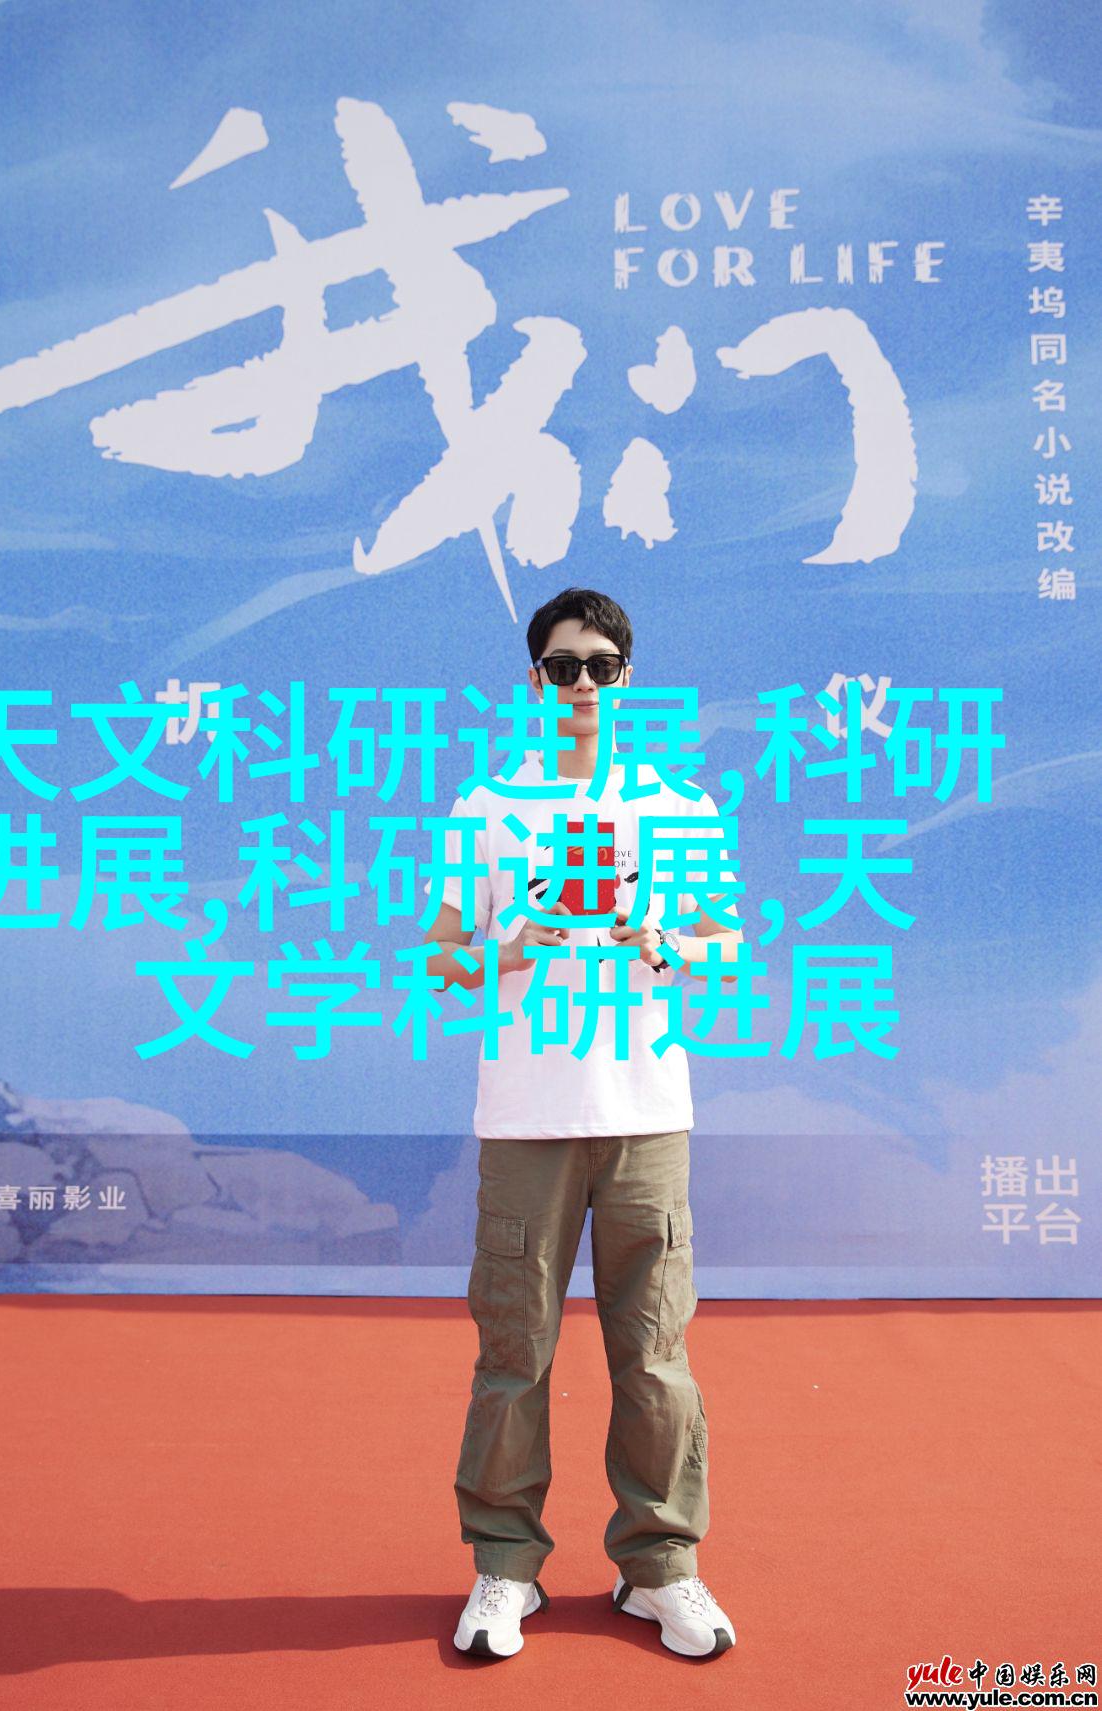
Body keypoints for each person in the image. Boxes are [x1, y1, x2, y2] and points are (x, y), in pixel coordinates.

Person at [422, 586, 743, 1661]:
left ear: (628, 678)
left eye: (603, 666)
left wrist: (661, 938)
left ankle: (661, 1568)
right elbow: (441, 954)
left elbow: (726, 942)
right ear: (535, 680)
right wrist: (512, 945)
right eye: (564, 667)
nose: (584, 685)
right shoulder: (486, 810)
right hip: (527, 1117)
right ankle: (504, 1566)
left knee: (654, 1353)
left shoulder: (677, 808)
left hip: (645, 1111)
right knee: (514, 1351)